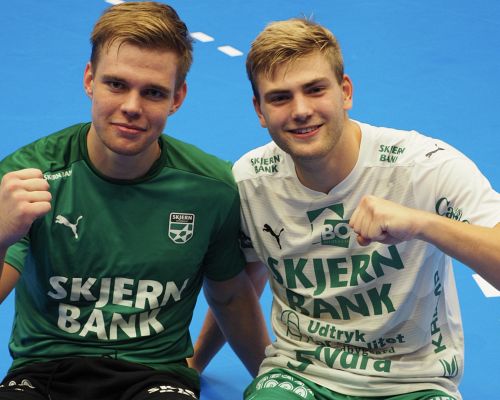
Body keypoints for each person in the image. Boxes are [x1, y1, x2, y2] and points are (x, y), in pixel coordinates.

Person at [190, 18, 500, 400]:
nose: (301, 110)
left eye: (315, 89)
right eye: (280, 97)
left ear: (345, 92)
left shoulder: (425, 167)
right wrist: (196, 363)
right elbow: (241, 284)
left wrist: (423, 224)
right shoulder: (251, 181)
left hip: (414, 383)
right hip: (299, 376)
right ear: (259, 110)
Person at [0, 2, 270, 400]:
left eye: (153, 92)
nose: (131, 107)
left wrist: (270, 381)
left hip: (155, 377)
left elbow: (231, 297)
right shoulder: (30, 177)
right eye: (116, 84)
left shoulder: (211, 190)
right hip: (43, 373)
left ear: (177, 97)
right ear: (89, 79)